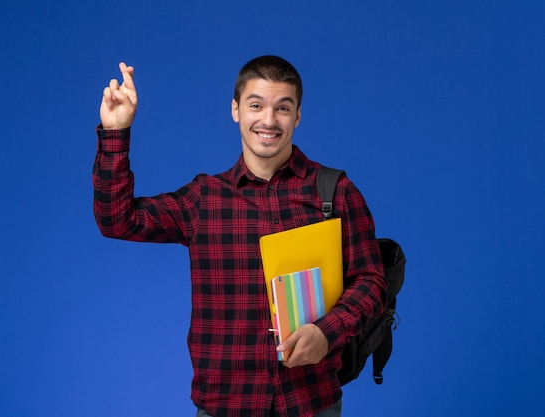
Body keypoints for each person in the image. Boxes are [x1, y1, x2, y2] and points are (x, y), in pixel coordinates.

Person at [93, 55, 387, 417]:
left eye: (283, 108)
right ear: (235, 110)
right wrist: (115, 133)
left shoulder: (335, 191)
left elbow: (372, 281)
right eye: (256, 105)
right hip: (224, 405)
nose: (268, 120)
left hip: (312, 403)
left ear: (297, 116)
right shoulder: (203, 199)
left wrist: (327, 332)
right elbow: (117, 220)